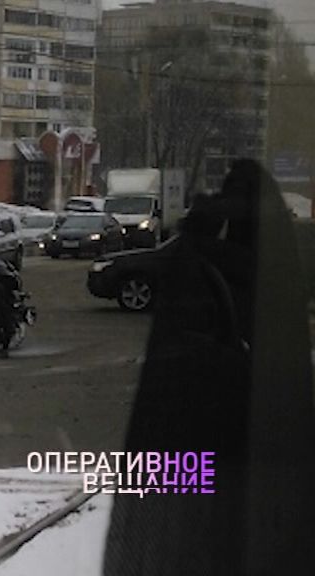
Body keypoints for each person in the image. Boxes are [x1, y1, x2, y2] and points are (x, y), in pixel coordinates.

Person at [103, 159, 315, 574]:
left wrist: (195, 239)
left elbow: (181, 358)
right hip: (251, 467)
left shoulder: (209, 267)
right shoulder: (272, 275)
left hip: (207, 458)